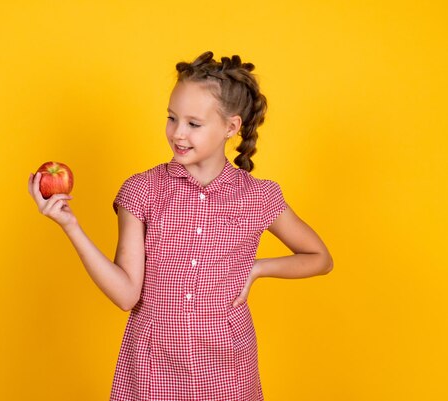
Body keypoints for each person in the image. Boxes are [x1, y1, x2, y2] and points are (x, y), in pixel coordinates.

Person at [28, 51, 333, 401]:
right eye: (172, 119)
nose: (178, 133)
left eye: (193, 123)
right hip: (152, 365)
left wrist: (257, 268)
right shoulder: (142, 190)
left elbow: (320, 258)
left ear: (231, 128)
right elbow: (126, 295)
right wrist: (71, 227)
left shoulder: (258, 196)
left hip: (227, 367)